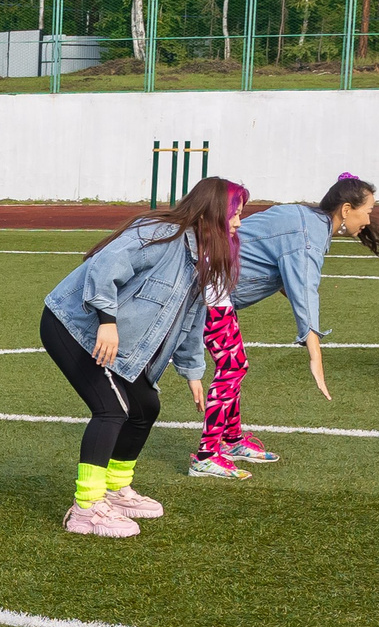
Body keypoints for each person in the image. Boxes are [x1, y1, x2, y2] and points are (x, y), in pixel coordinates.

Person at [40, 177, 237, 537]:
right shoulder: (161, 234)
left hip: (111, 341)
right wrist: (107, 321)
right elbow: (105, 265)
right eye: (235, 215)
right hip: (73, 325)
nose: (238, 223)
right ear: (213, 215)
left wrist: (192, 371)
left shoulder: (200, 260)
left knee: (146, 407)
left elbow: (191, 321)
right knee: (112, 409)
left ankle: (115, 490)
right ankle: (86, 508)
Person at [193, 173, 379, 477]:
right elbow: (304, 291)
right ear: (347, 209)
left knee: (236, 365)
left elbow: (280, 269)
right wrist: (316, 357)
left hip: (215, 294)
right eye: (369, 211)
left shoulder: (305, 217)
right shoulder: (309, 234)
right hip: (208, 295)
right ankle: (207, 454)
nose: (369, 219)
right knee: (232, 367)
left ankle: (230, 441)